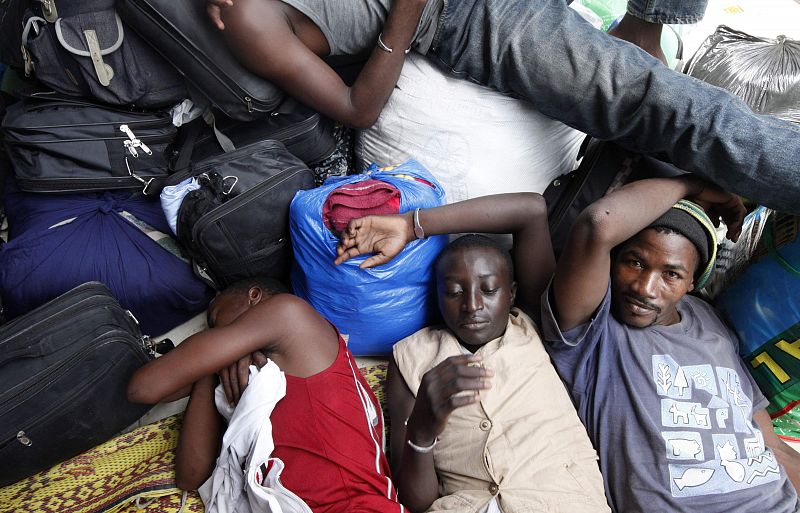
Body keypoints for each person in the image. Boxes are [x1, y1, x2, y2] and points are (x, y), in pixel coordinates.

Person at [204, 0, 800, 215]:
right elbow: (359, 107)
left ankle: (646, 26)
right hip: (468, 17)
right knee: (667, 105)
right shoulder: (249, 18)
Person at [334, 193, 611, 512]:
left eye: (490, 289)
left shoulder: (532, 324)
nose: (472, 305)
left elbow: (531, 210)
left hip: (562, 499)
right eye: (453, 292)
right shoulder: (411, 357)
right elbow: (418, 501)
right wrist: (422, 431)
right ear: (436, 296)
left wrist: (412, 225)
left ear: (512, 293)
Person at [540, 174, 800, 511]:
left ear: (692, 281)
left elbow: (770, 445)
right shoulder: (592, 326)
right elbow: (598, 223)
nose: (644, 288)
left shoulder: (711, 323)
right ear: (613, 261)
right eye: (634, 263)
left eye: (671, 274)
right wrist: (694, 184)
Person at [127, 277, 403, 512]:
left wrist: (222, 350)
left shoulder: (290, 314)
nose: (215, 335)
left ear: (254, 296)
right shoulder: (251, 384)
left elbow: (145, 386)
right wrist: (208, 370)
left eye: (215, 321)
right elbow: (191, 477)